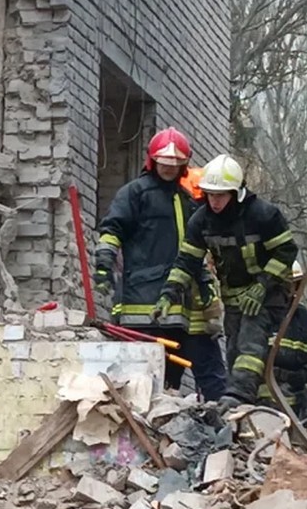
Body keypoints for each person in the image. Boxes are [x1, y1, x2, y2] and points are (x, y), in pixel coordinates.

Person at [95, 128, 227, 400]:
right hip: (142, 299)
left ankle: (223, 423)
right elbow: (112, 229)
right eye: (164, 164)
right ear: (152, 162)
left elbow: (198, 250)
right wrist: (104, 263)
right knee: (139, 374)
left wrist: (206, 285)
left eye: (174, 165)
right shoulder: (135, 193)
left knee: (197, 369)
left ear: (183, 165)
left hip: (184, 303)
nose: (168, 169)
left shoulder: (188, 200)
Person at [169, 154, 297, 407]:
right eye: (210, 194)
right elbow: (187, 260)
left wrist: (262, 285)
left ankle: (239, 398)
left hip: (268, 293)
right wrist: (169, 292)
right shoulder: (202, 221)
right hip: (234, 295)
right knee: (234, 350)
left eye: (220, 195)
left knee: (251, 341)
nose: (214, 201)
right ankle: (239, 400)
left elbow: (286, 252)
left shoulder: (263, 215)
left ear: (236, 192)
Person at [252, 265, 307, 425]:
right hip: (260, 404)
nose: (286, 290)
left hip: (297, 407)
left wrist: (304, 374)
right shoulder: (260, 316)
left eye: (292, 284)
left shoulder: (304, 319)